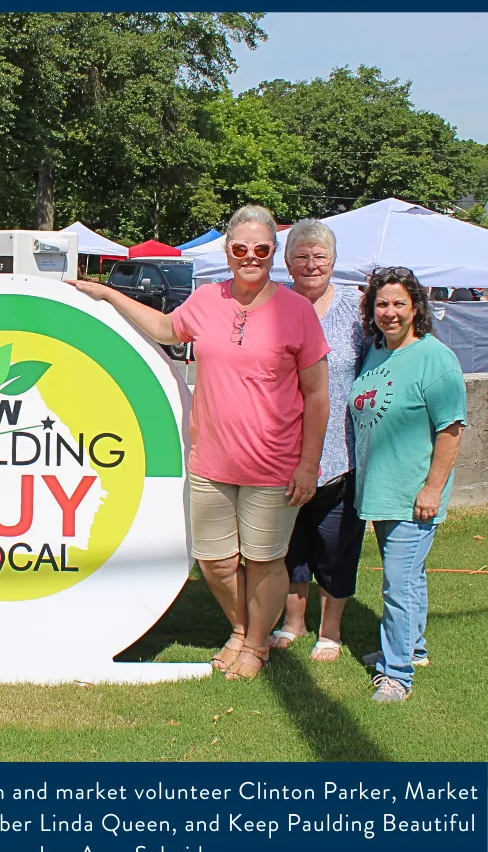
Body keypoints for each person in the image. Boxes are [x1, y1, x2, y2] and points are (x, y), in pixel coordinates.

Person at [69, 205, 329, 680]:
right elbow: (168, 329)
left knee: (265, 561)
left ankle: (254, 646)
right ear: (228, 252)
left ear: (273, 253)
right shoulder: (208, 300)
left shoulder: (297, 312)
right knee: (214, 560)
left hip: (274, 465)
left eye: (261, 249)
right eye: (240, 248)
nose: (250, 256)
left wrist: (308, 464)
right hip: (211, 460)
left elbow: (316, 393)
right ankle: (240, 629)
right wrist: (108, 294)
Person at [350, 267, 466, 703]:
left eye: (399, 303)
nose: (390, 312)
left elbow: (451, 429)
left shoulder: (435, 358)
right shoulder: (376, 352)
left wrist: (433, 488)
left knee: (396, 585)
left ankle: (396, 675)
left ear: (416, 306)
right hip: (380, 492)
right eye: (382, 304)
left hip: (414, 494)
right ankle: (412, 649)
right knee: (409, 580)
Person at [269, 220, 366, 661]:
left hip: (341, 451)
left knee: (336, 545)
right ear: (287, 262)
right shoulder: (273, 306)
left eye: (320, 256)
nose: (311, 265)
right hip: (281, 450)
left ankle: (330, 631)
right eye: (301, 256)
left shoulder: (358, 310)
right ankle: (292, 623)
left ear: (333, 261)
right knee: (292, 547)